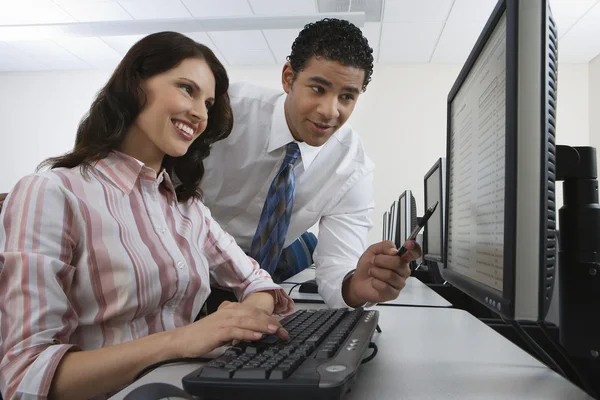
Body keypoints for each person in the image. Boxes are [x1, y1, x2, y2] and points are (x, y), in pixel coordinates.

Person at [0, 32, 292, 400]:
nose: (200, 113)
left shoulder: (187, 208)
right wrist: (183, 340)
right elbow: (25, 374)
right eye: (187, 89)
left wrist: (237, 322)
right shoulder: (51, 193)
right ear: (135, 84)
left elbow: (261, 284)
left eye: (208, 102)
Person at [200, 18, 421, 310]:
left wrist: (357, 285)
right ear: (288, 78)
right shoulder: (225, 112)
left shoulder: (352, 168)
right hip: (183, 268)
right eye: (318, 89)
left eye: (346, 97)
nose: (330, 111)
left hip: (258, 286)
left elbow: (336, 268)